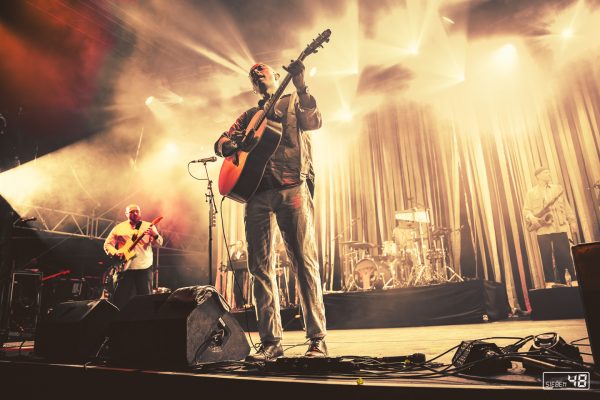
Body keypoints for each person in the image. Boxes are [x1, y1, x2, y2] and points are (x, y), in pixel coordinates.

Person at [214, 60, 327, 360]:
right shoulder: (250, 115)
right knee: (259, 270)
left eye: (262, 70)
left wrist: (302, 86)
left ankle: (317, 339)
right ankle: (271, 343)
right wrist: (231, 145)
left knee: (304, 263)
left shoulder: (292, 103)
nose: (258, 74)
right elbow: (221, 142)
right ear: (253, 86)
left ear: (277, 77)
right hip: (256, 194)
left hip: (293, 188)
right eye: (254, 74)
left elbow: (315, 121)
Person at [523, 168, 577, 287]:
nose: (549, 174)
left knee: (564, 254)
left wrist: (572, 222)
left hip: (560, 227)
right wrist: (532, 218)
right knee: (546, 256)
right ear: (538, 176)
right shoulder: (531, 193)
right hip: (543, 229)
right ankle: (550, 282)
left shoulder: (557, 189)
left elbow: (566, 207)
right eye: (545, 172)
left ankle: (572, 281)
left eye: (549, 171)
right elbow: (526, 210)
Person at [103, 204, 163, 309]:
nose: (135, 213)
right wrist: (115, 252)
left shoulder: (149, 226)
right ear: (126, 214)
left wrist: (155, 235)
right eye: (131, 212)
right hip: (125, 268)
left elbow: (159, 244)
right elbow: (107, 244)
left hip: (144, 267)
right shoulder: (119, 228)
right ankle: (118, 321)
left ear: (140, 213)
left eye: (137, 211)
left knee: (145, 300)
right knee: (120, 300)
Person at [230, 240, 249, 309]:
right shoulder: (234, 253)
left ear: (242, 245)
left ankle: (241, 304)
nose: (238, 245)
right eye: (237, 244)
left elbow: (246, 262)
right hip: (236, 273)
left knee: (241, 288)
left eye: (240, 244)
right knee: (235, 289)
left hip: (243, 273)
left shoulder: (244, 253)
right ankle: (237, 304)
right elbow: (231, 262)